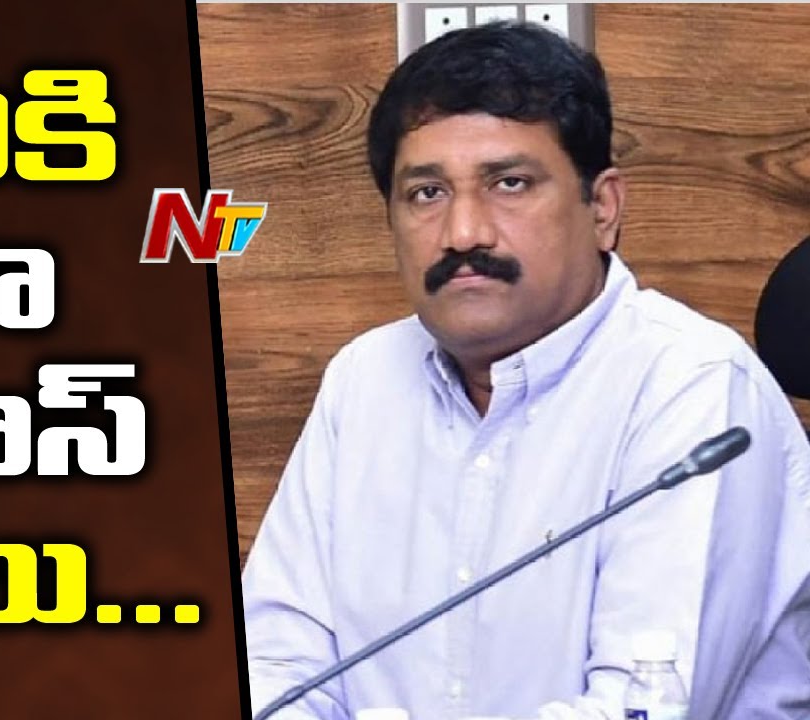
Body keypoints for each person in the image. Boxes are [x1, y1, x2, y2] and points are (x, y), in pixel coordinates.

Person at [241, 22, 810, 720]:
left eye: (509, 183)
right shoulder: (364, 380)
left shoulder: (693, 386)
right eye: (427, 193)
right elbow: (275, 664)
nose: (463, 233)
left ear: (603, 208)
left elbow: (647, 704)